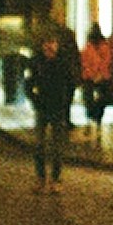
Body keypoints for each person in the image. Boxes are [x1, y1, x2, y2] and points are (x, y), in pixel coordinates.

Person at [26, 30, 79, 191]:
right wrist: (35, 101)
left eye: (52, 43)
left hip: (58, 108)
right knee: (39, 145)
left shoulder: (63, 63)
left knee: (57, 146)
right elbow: (28, 85)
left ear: (57, 45)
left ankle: (55, 179)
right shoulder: (36, 62)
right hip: (42, 107)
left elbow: (71, 85)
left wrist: (66, 105)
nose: (49, 47)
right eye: (47, 43)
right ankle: (40, 178)